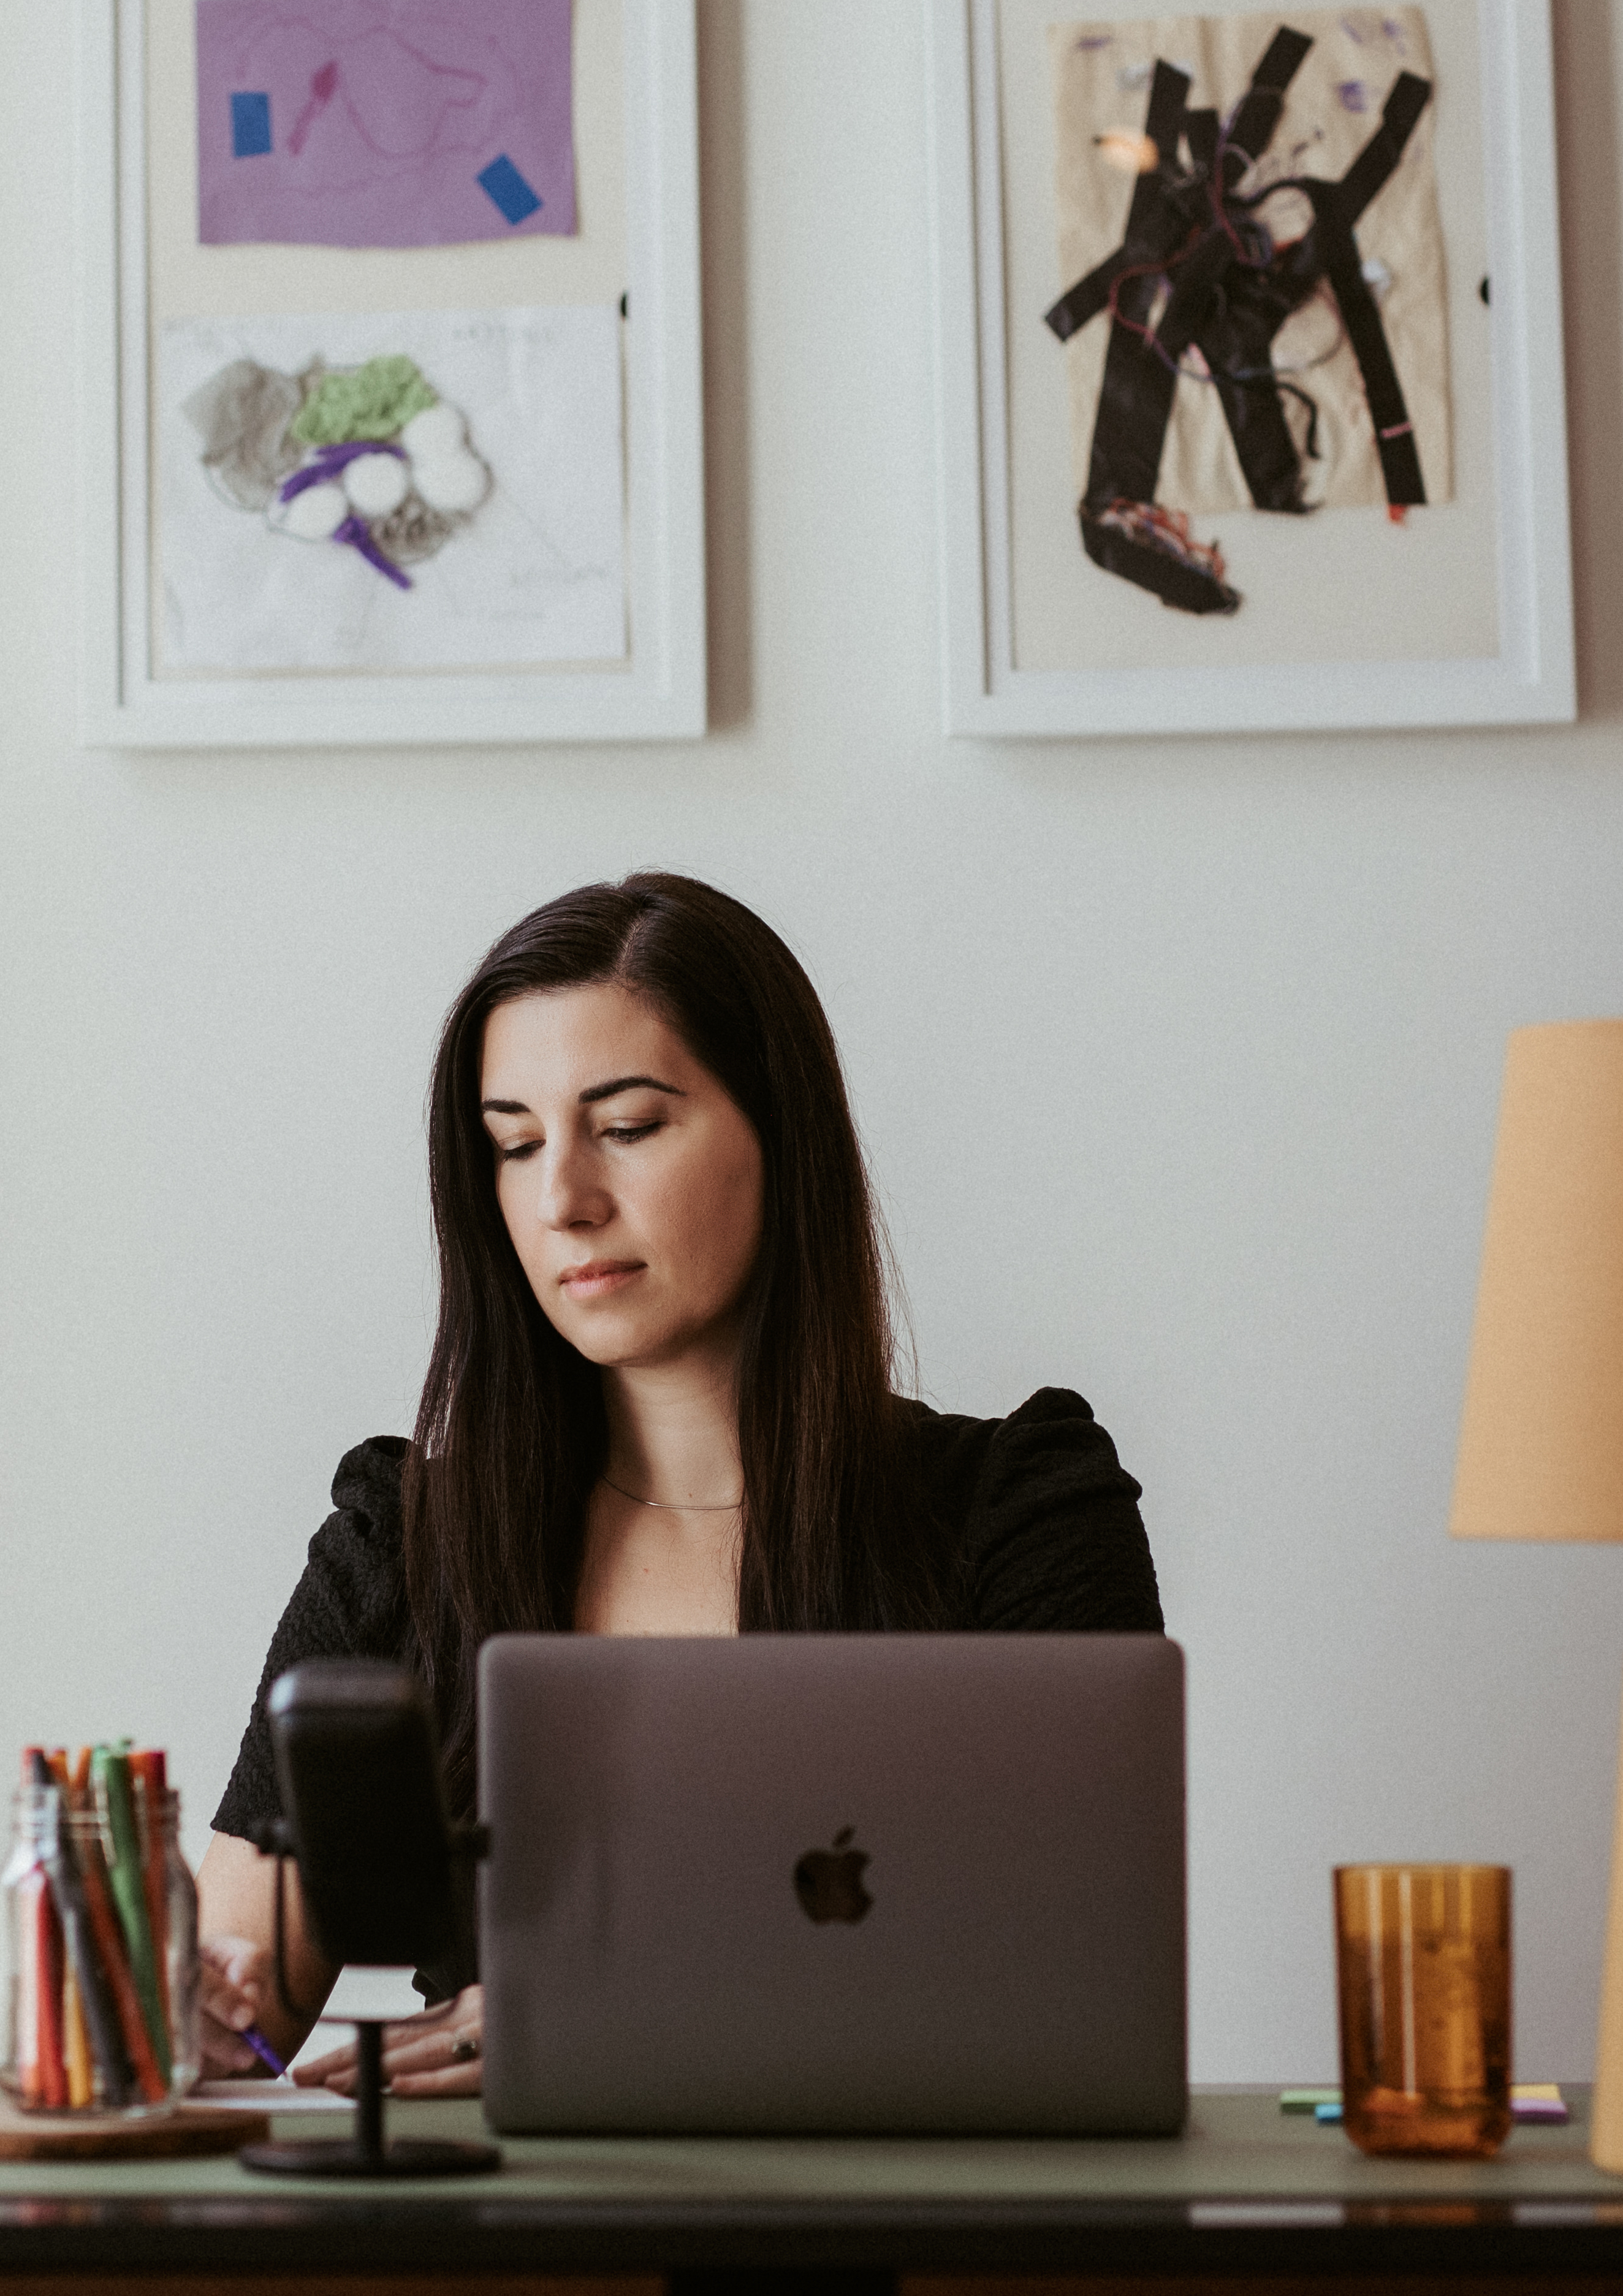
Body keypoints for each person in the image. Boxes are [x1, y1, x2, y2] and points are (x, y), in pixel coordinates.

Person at [193, 873, 1162, 2094]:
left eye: (631, 1126)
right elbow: (243, 2020)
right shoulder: (406, 1543)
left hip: (908, 2240)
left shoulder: (1019, 1513)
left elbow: (1079, 1981)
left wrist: (598, 2013)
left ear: (779, 1133)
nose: (563, 1200)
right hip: (503, 2258)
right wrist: (184, 2003)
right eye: (514, 1144)